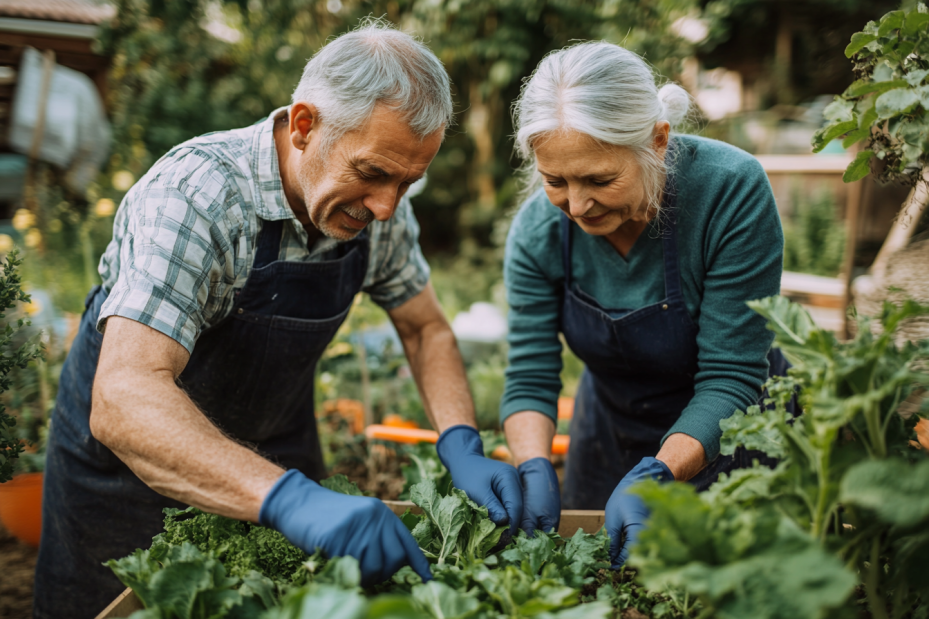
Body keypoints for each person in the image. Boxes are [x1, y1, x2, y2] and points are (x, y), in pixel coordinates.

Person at [34, 21, 523, 618]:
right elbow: (123, 396)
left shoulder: (381, 206)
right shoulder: (197, 196)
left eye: (408, 181)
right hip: (130, 479)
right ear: (303, 125)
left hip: (274, 453)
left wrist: (461, 440)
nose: (387, 206)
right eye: (371, 173)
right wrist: (291, 499)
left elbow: (425, 328)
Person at [500, 42, 790, 566]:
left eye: (600, 179)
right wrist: (534, 466)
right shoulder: (538, 234)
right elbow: (529, 376)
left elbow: (731, 375)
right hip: (609, 424)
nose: (578, 204)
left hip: (731, 424)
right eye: (555, 181)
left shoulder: (728, 191)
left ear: (657, 141)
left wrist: (660, 471)